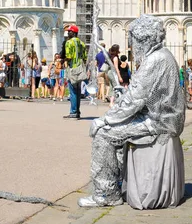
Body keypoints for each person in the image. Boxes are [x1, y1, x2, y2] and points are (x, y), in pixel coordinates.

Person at [78, 15, 185, 208]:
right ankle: (116, 182)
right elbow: (141, 93)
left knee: (103, 134)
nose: (133, 45)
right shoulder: (163, 55)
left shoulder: (155, 60)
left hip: (158, 122)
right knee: (116, 131)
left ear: (143, 39)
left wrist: (105, 119)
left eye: (134, 40)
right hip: (161, 117)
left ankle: (106, 194)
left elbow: (134, 100)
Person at [64, 25, 87, 120]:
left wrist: (63, 60)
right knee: (78, 91)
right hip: (80, 68)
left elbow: (69, 56)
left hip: (73, 68)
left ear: (73, 33)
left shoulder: (69, 42)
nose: (68, 33)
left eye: (69, 32)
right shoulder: (82, 43)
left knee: (73, 91)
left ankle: (73, 112)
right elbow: (85, 57)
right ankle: (77, 111)